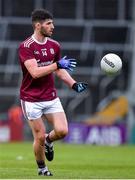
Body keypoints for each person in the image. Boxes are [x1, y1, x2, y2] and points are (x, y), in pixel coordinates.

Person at [18, 9, 87, 176]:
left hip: (50, 96)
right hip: (31, 98)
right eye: (49, 23)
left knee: (63, 131)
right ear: (37, 25)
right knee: (39, 137)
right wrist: (57, 65)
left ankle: (50, 141)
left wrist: (73, 84)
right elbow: (35, 73)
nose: (52, 27)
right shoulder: (26, 46)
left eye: (52, 23)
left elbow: (60, 70)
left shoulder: (54, 45)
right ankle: (42, 169)